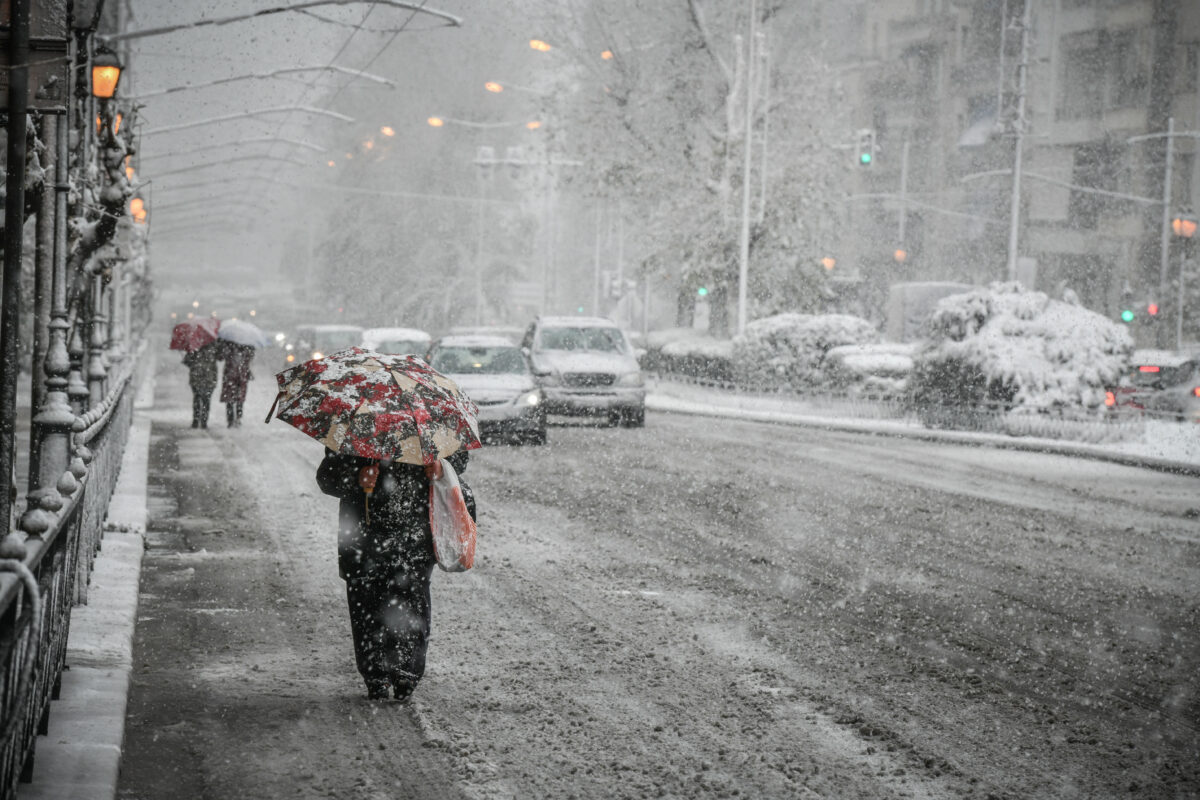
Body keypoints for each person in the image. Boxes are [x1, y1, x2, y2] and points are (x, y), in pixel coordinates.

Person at [316, 448, 476, 700]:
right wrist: (355, 477)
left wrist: (440, 467)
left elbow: (459, 458)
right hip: (363, 537)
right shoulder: (355, 425)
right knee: (367, 604)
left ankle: (407, 671)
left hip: (414, 533)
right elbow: (327, 476)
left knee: (412, 600)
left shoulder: (428, 420)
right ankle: (375, 674)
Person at [182, 342, 219, 429]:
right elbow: (219, 358)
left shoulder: (194, 347)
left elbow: (187, 362)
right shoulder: (214, 347)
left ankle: (196, 420)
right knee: (206, 400)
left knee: (197, 398)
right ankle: (204, 421)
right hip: (209, 378)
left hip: (197, 378)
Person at [219, 342, 255, 427]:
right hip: (238, 376)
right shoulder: (246, 348)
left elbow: (221, 357)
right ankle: (235, 419)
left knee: (234, 399)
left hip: (233, 376)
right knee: (237, 399)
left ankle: (233, 419)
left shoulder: (229, 346)